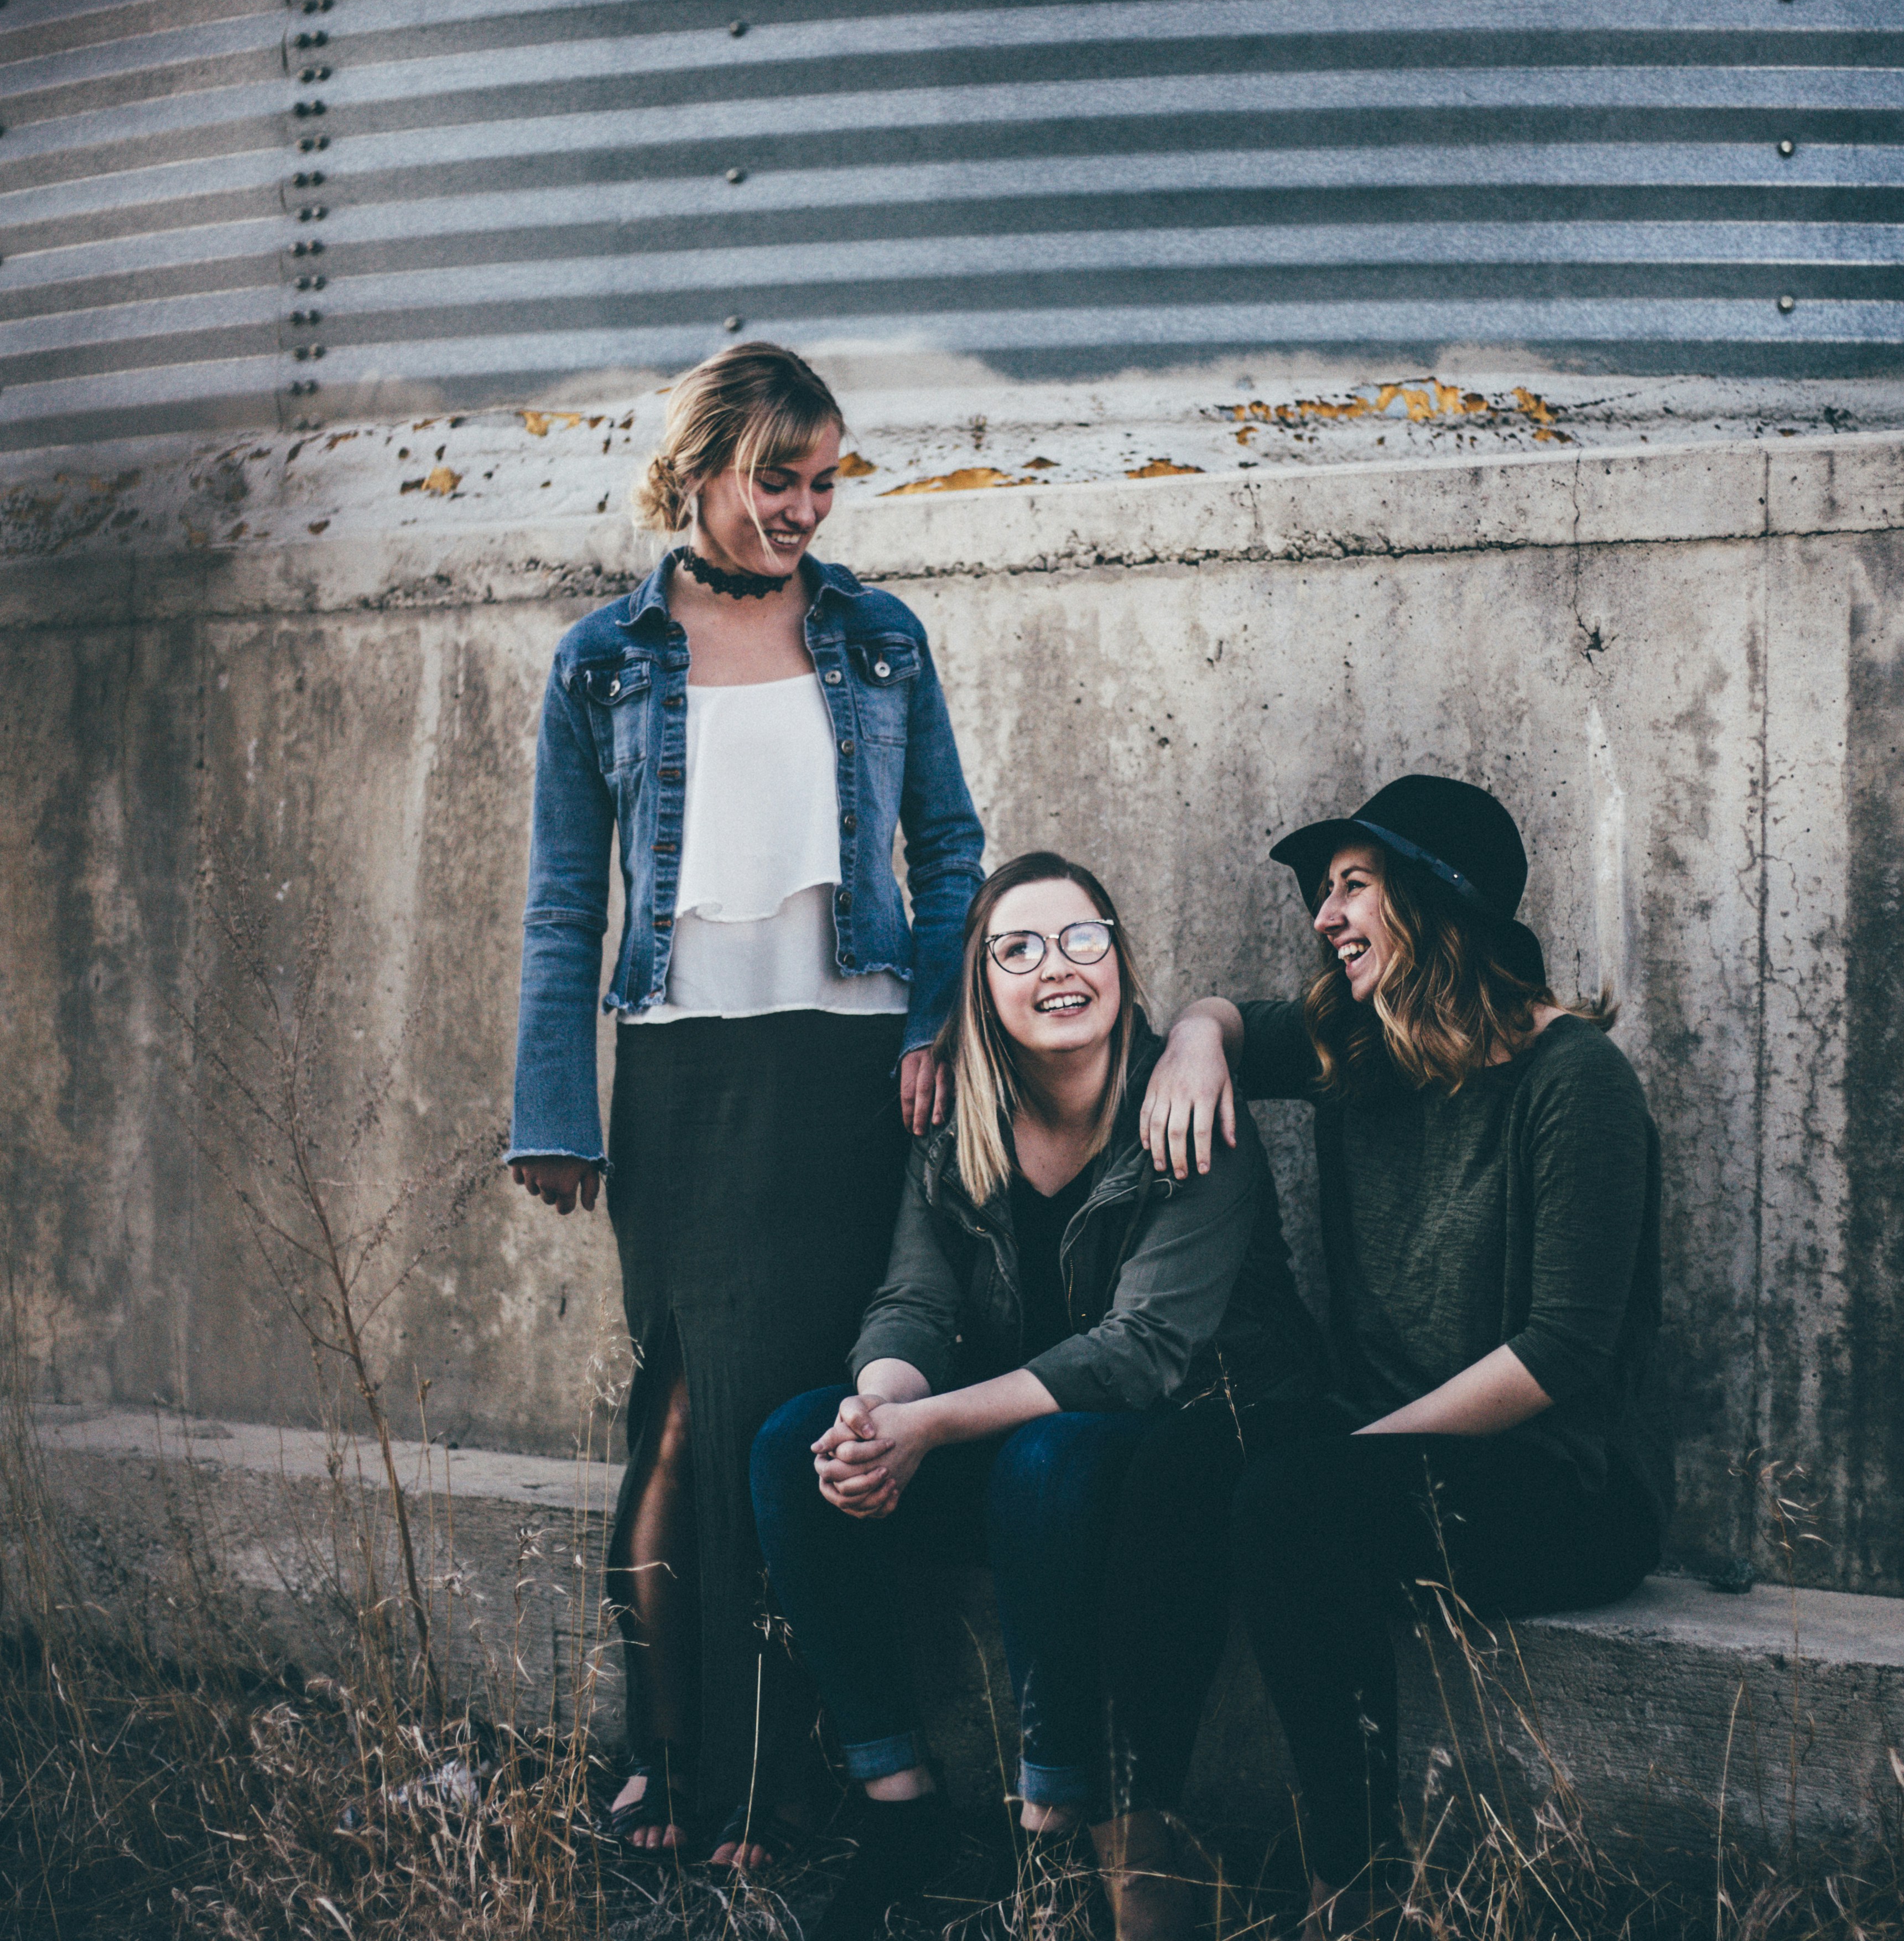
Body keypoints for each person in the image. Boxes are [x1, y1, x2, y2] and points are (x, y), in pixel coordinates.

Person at [504, 342, 986, 1865]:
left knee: (812, 1419)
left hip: (853, 1081)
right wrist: (556, 1108)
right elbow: (567, 906)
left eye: (828, 479)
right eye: (778, 478)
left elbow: (954, 851)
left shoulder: (882, 639)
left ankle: (797, 1773)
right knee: (684, 1414)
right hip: (686, 1085)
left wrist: (930, 1020)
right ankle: (667, 1760)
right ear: (701, 467)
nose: (806, 509)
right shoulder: (603, 659)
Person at [1124, 774, 1667, 1936]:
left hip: (1560, 1483)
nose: (1324, 918)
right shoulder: (1353, 1046)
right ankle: (1146, 1841)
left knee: (1291, 1500)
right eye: (1323, 894)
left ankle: (1353, 1890)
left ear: (1436, 903)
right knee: (1177, 1462)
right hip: (1381, 1456)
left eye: (1353, 886)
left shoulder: (1575, 1082)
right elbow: (1220, 1011)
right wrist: (1194, 1046)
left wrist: (1352, 1452)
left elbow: (1561, 1352)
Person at [748, 853, 1322, 1941]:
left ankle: (1058, 1809)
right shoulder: (957, 1128)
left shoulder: (1190, 1109)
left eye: (1081, 939)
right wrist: (877, 1415)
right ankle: (901, 1811)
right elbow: (911, 1302)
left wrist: (930, 1426)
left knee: (1047, 1457)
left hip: (1171, 1453)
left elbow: (1139, 1354)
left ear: (1119, 956)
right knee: (791, 1443)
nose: (1056, 968)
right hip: (1026, 1463)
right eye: (1018, 949)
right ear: (983, 986)